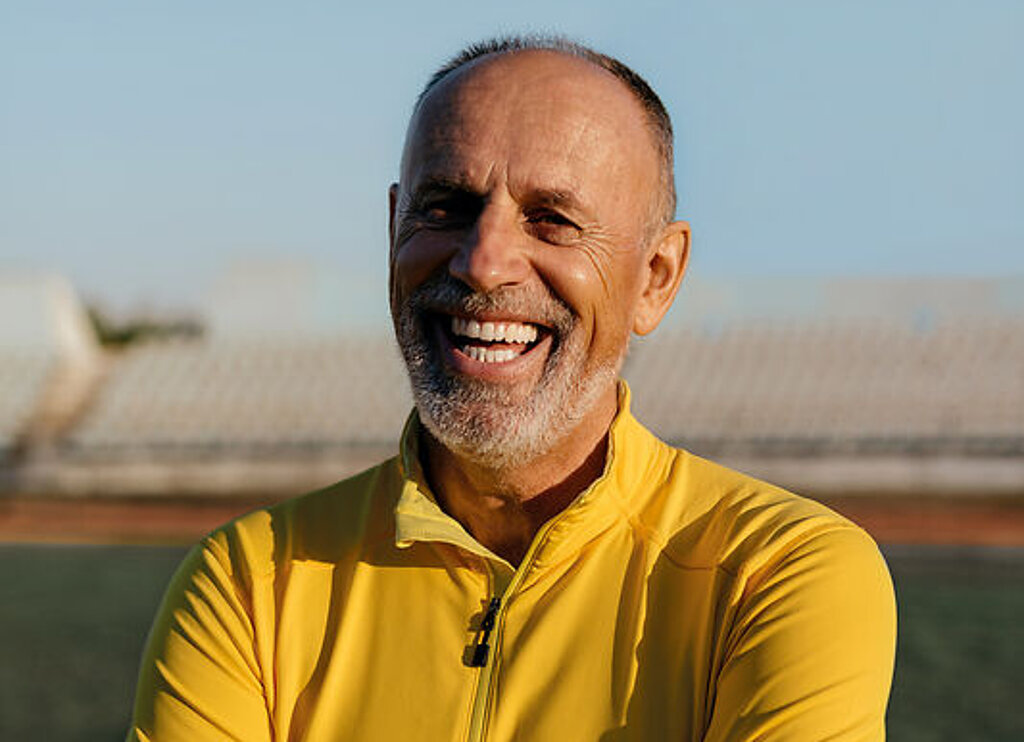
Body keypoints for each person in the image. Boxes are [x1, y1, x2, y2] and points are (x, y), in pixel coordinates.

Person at [128, 36, 896, 741]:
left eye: (554, 219)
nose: (482, 262)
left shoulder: (781, 575)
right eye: (445, 208)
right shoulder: (248, 583)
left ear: (655, 279)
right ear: (394, 226)